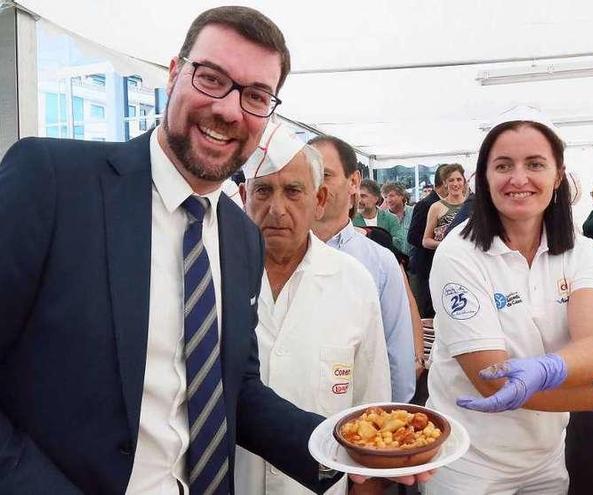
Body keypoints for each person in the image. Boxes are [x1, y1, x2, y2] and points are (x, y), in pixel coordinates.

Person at [0, 6, 429, 493]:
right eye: (211, 78)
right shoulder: (53, 182)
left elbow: (235, 391)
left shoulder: (239, 237)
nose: (229, 109)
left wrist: (342, 450)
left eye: (255, 95)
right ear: (174, 73)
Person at [423, 118, 593, 495]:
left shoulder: (583, 254)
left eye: (535, 164)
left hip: (545, 457)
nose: (518, 178)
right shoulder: (460, 254)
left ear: (558, 176)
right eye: (504, 165)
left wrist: (549, 368)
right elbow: (492, 381)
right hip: (468, 459)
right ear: (485, 177)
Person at [235, 125, 391, 495]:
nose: (277, 208)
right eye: (263, 190)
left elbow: (373, 407)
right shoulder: (213, 277)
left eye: (293, 191)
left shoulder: (354, 283)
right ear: (243, 196)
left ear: (319, 199)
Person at [310, 136, 417, 403]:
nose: (314, 185)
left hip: (359, 419)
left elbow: (397, 351)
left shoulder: (379, 261)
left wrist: (392, 423)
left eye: (324, 174)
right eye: (306, 174)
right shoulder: (276, 255)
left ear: (354, 182)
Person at [407, 165, 448, 317]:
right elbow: (412, 236)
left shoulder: (453, 204)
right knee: (427, 313)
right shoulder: (425, 205)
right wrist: (436, 241)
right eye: (452, 180)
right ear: (444, 182)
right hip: (425, 267)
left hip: (443, 266)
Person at [422, 163, 467, 249]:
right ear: (445, 183)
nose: (455, 184)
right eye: (451, 180)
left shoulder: (473, 204)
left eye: (459, 179)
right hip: (445, 257)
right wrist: (446, 245)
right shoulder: (436, 207)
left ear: (464, 181)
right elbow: (426, 241)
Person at [354, 179, 404, 251]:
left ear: (376, 199)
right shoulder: (350, 220)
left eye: (363, 196)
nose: (359, 200)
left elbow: (399, 243)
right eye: (357, 196)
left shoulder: (390, 219)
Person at [381, 181, 415, 255]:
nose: (388, 200)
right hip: (393, 259)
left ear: (402, 196)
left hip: (413, 259)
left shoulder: (414, 212)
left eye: (391, 196)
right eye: (386, 197)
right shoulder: (382, 217)